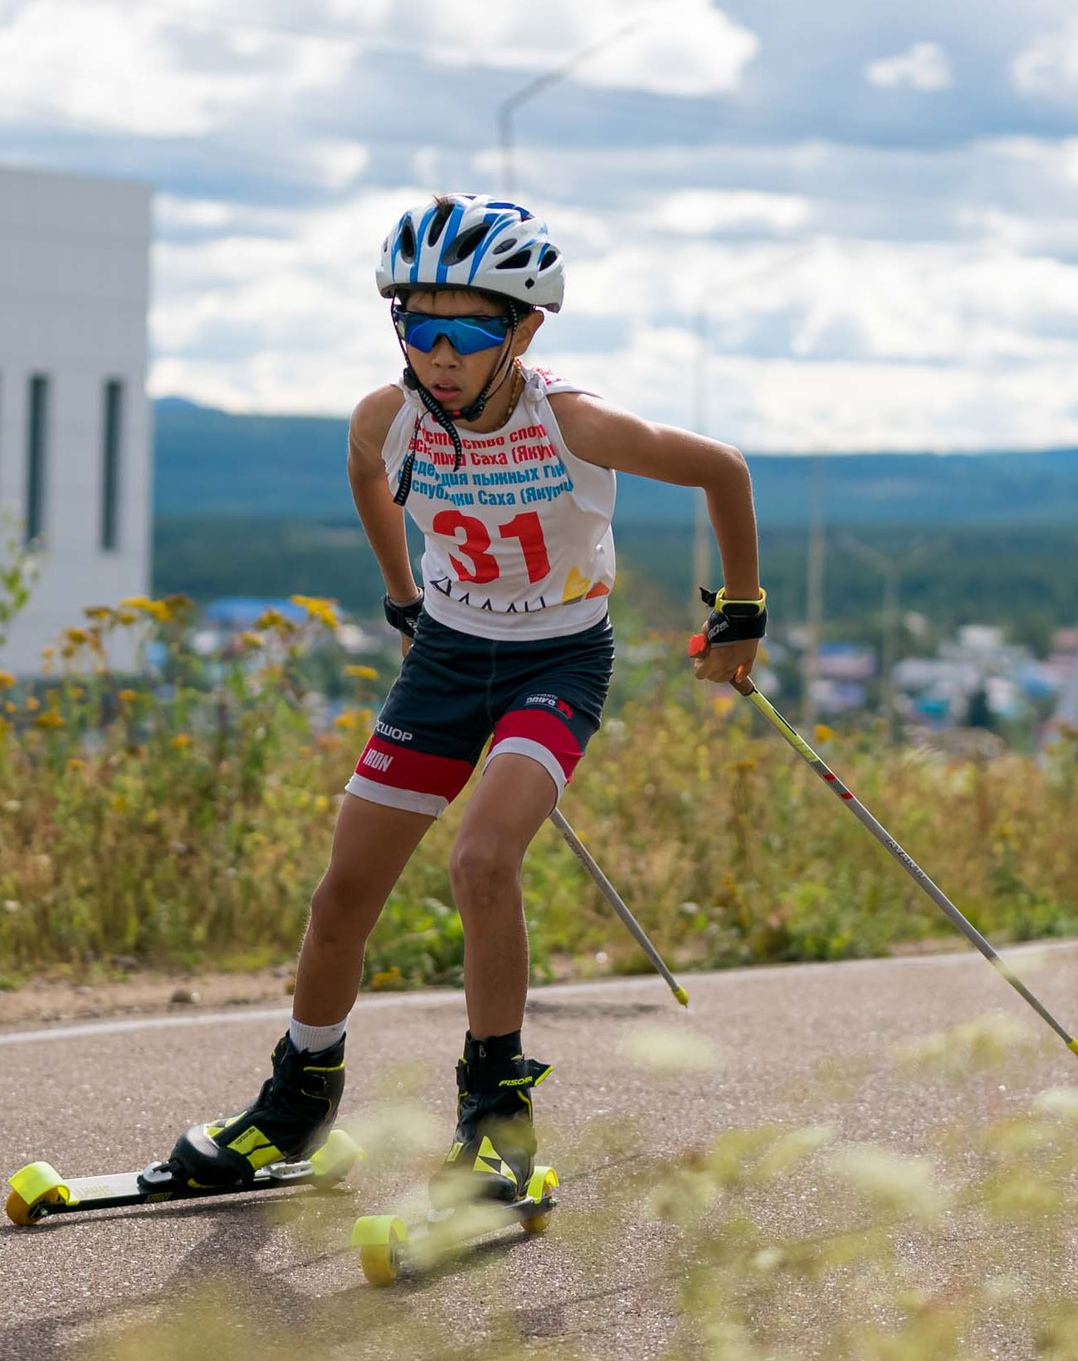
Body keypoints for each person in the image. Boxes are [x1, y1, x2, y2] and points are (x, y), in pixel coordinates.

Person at [164, 193, 765, 1206]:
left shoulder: (573, 422)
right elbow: (365, 473)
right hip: (444, 659)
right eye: (417, 327)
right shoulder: (387, 419)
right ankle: (295, 1103)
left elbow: (721, 468)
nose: (437, 355)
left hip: (555, 665)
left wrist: (740, 609)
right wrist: (401, 592)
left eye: (467, 332)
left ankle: (496, 1117)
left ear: (524, 330)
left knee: (482, 860)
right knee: (343, 893)